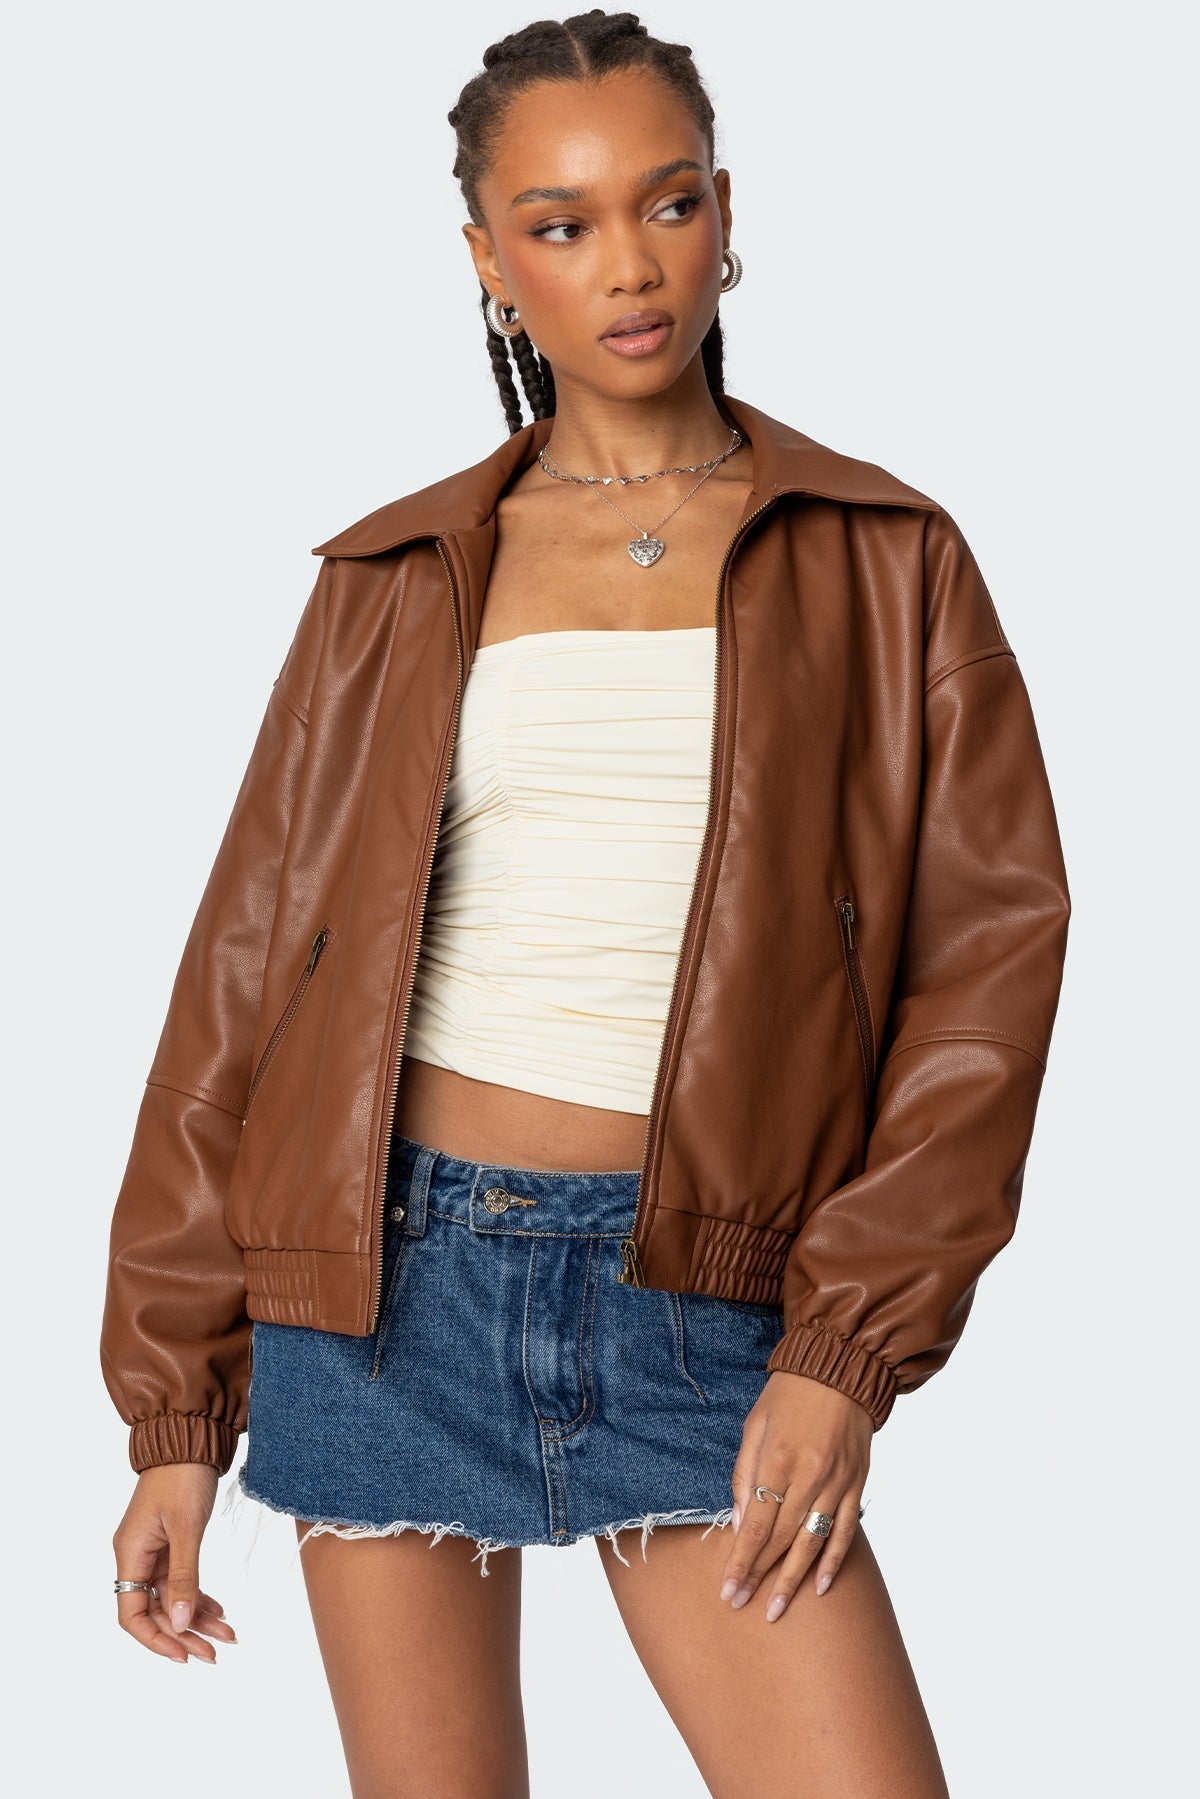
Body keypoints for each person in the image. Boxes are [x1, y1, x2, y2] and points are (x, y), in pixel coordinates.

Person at [102, 10, 1071, 1796]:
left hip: (706, 1297)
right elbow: (246, 980)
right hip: (382, 1298)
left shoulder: (887, 556)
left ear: (726, 214)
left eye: (667, 203)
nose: (628, 264)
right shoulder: (395, 572)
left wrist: (845, 1350)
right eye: (560, 225)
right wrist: (178, 1404)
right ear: (490, 261)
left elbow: (984, 983)